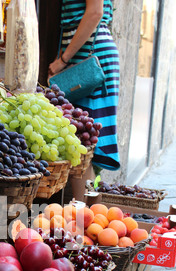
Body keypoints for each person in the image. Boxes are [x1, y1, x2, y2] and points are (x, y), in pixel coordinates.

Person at [48, 0, 120, 200]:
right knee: (82, 145)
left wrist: (63, 59)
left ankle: (83, 218)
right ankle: (87, 216)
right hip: (84, 59)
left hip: (90, 62)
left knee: (82, 145)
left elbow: (95, 13)